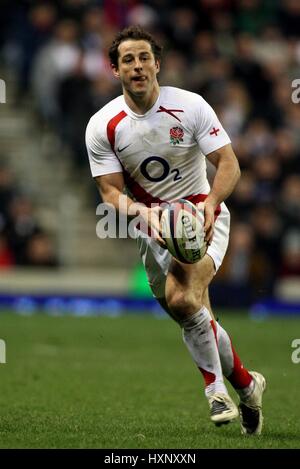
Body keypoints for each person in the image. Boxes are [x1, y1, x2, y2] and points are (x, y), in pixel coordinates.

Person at [85, 25, 266, 434]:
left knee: (184, 299)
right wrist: (141, 214)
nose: (137, 66)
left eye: (144, 57)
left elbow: (229, 164)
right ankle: (246, 383)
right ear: (115, 70)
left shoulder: (190, 106)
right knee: (192, 312)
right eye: (127, 60)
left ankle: (216, 392)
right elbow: (110, 192)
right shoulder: (103, 125)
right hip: (151, 231)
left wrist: (210, 204)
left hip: (202, 217)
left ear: (157, 63)